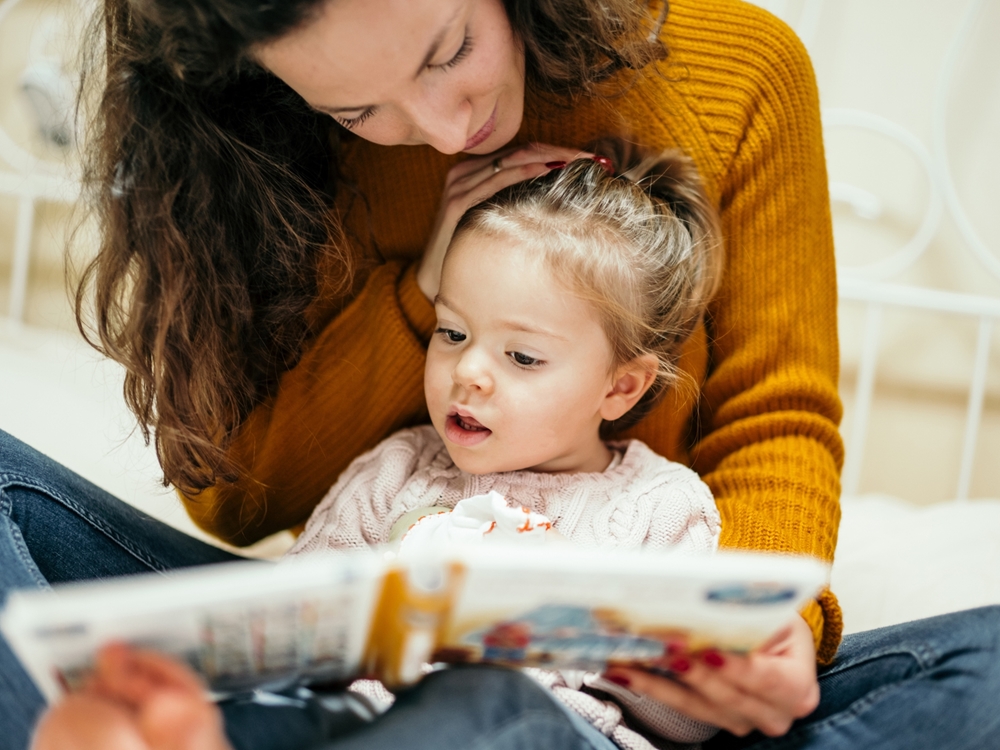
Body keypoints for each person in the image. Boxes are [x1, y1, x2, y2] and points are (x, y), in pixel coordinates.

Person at [2, 0, 998, 747]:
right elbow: (240, 503)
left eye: (450, 51)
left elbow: (773, 422)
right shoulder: (255, 142)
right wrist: (416, 297)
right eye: (357, 107)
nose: (442, 130)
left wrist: (751, 634)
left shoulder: (736, 75)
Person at [288, 146, 724, 749]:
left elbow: (696, 718)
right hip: (369, 728)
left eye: (521, 357)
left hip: (545, 732)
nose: (467, 370)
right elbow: (287, 627)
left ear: (620, 386)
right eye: (451, 332)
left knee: (485, 695)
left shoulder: (663, 507)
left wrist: (572, 629)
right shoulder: (399, 469)